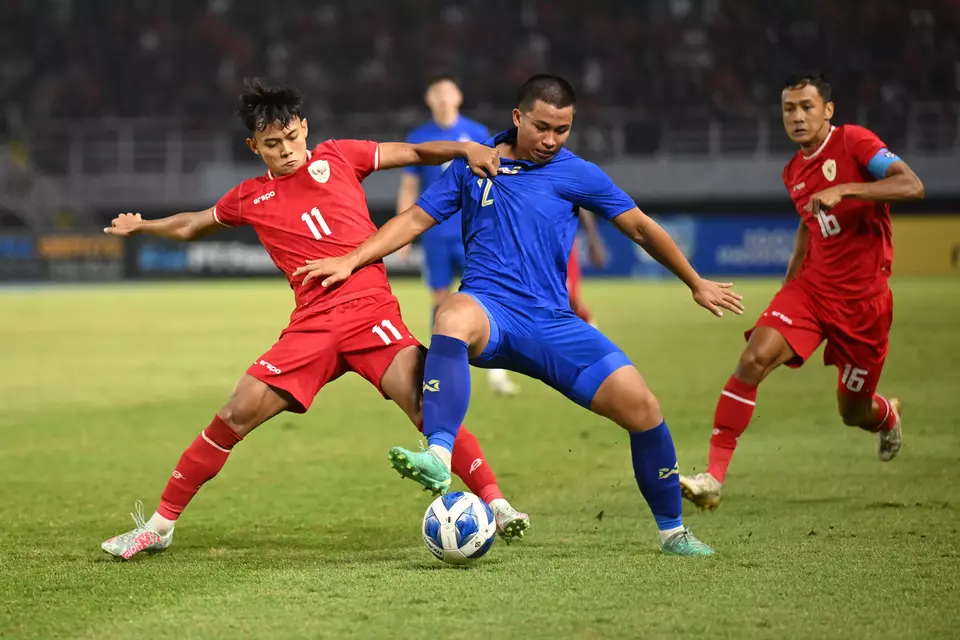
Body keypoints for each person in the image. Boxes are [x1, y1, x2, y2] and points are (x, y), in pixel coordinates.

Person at [295, 75, 745, 556]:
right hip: (490, 311)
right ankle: (439, 453)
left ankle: (672, 532)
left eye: (563, 129)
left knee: (645, 410)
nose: (552, 139)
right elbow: (414, 220)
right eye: (542, 127)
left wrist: (694, 281)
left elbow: (638, 226)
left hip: (554, 323)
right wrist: (351, 259)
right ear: (517, 117)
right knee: (451, 312)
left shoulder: (577, 173)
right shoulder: (475, 166)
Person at [100, 79, 530, 560]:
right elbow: (192, 223)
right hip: (312, 326)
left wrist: (465, 147)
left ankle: (497, 503)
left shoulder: (340, 157)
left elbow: (412, 152)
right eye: (271, 145)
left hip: (371, 316)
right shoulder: (249, 197)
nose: (285, 151)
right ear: (254, 147)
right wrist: (142, 226)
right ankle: (159, 526)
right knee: (233, 414)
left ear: (304, 128)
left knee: (431, 409)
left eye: (291, 138)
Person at [679, 72, 925, 511]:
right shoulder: (793, 171)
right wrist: (788, 287)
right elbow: (807, 228)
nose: (796, 116)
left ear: (827, 110)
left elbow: (912, 185)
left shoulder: (855, 142)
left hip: (865, 305)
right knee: (754, 357)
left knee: (853, 411)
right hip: (812, 293)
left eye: (806, 107)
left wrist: (847, 188)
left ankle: (887, 415)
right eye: (789, 109)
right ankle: (712, 478)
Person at [396, 75, 520, 396]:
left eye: (448, 94)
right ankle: (441, 373)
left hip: (472, 233)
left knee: (486, 298)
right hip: (435, 233)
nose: (443, 100)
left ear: (458, 97)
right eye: (437, 94)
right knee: (440, 301)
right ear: (429, 99)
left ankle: (497, 374)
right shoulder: (419, 136)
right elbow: (409, 186)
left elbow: (496, 182)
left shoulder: (477, 134)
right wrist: (404, 235)